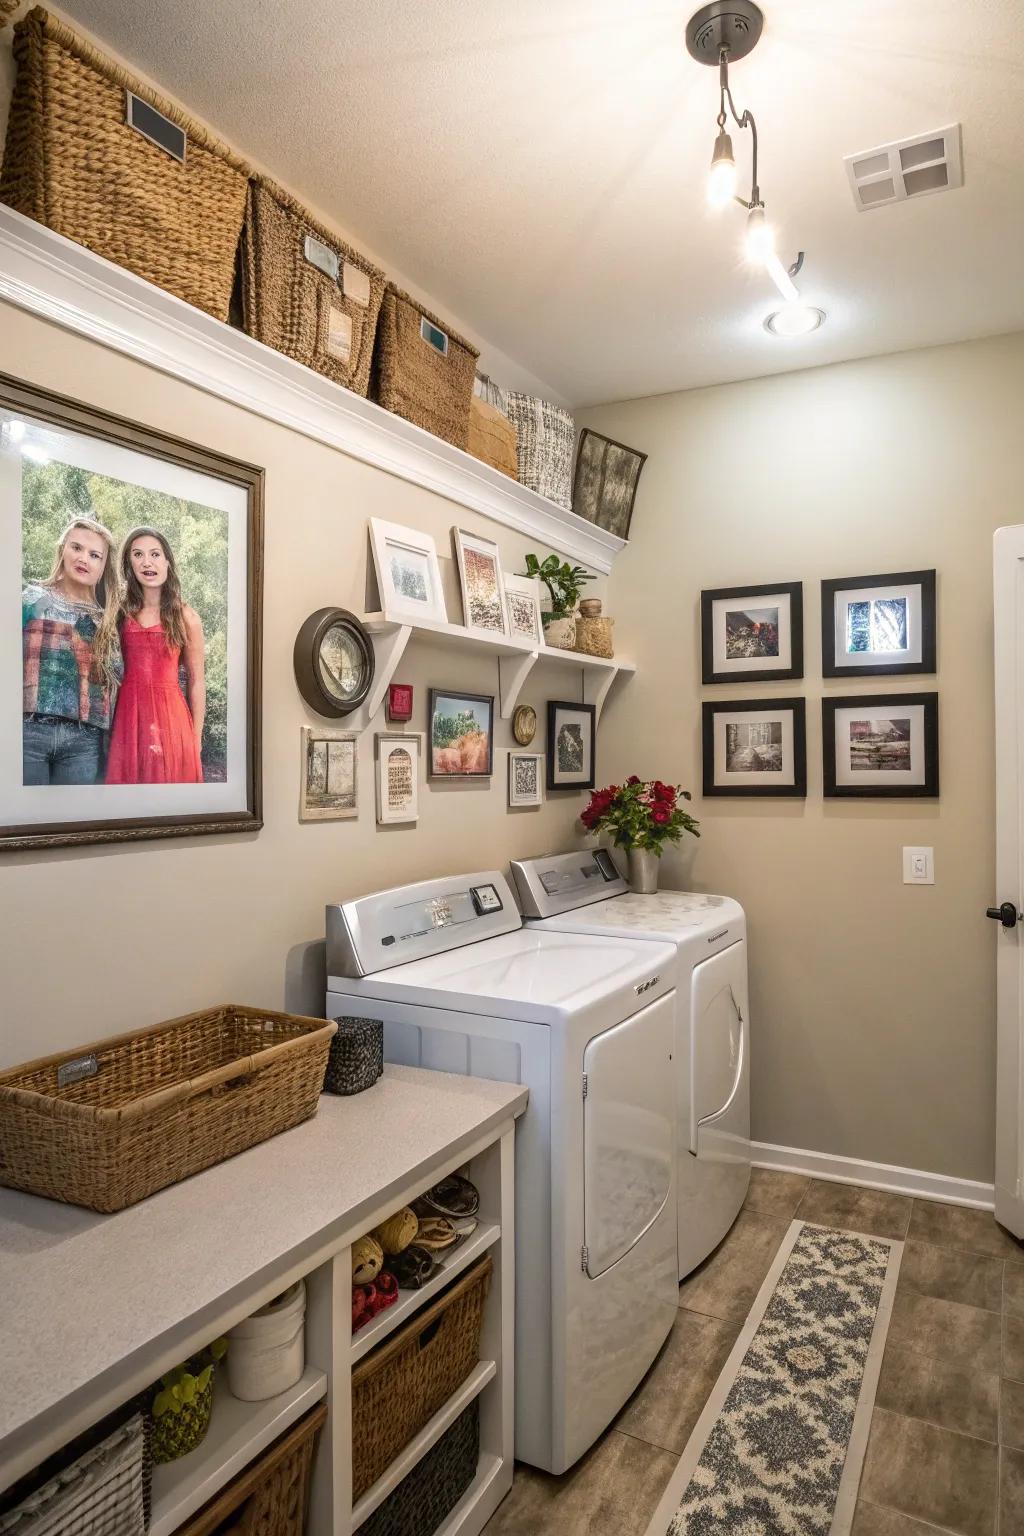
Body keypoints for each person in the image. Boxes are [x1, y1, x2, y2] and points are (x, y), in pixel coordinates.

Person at [22, 518, 122, 785]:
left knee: (72, 823)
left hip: (85, 741)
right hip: (26, 731)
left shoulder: (108, 620)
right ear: (62, 549)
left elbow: (116, 684)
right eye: (76, 547)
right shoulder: (31, 600)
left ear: (103, 567)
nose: (83, 559)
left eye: (94, 555)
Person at [105, 527, 206, 784]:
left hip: (172, 720)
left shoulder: (187, 617)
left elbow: (196, 681)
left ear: (167, 562)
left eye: (155, 554)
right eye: (138, 554)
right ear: (129, 562)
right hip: (129, 717)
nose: (147, 562)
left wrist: (195, 741)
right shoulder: (120, 613)